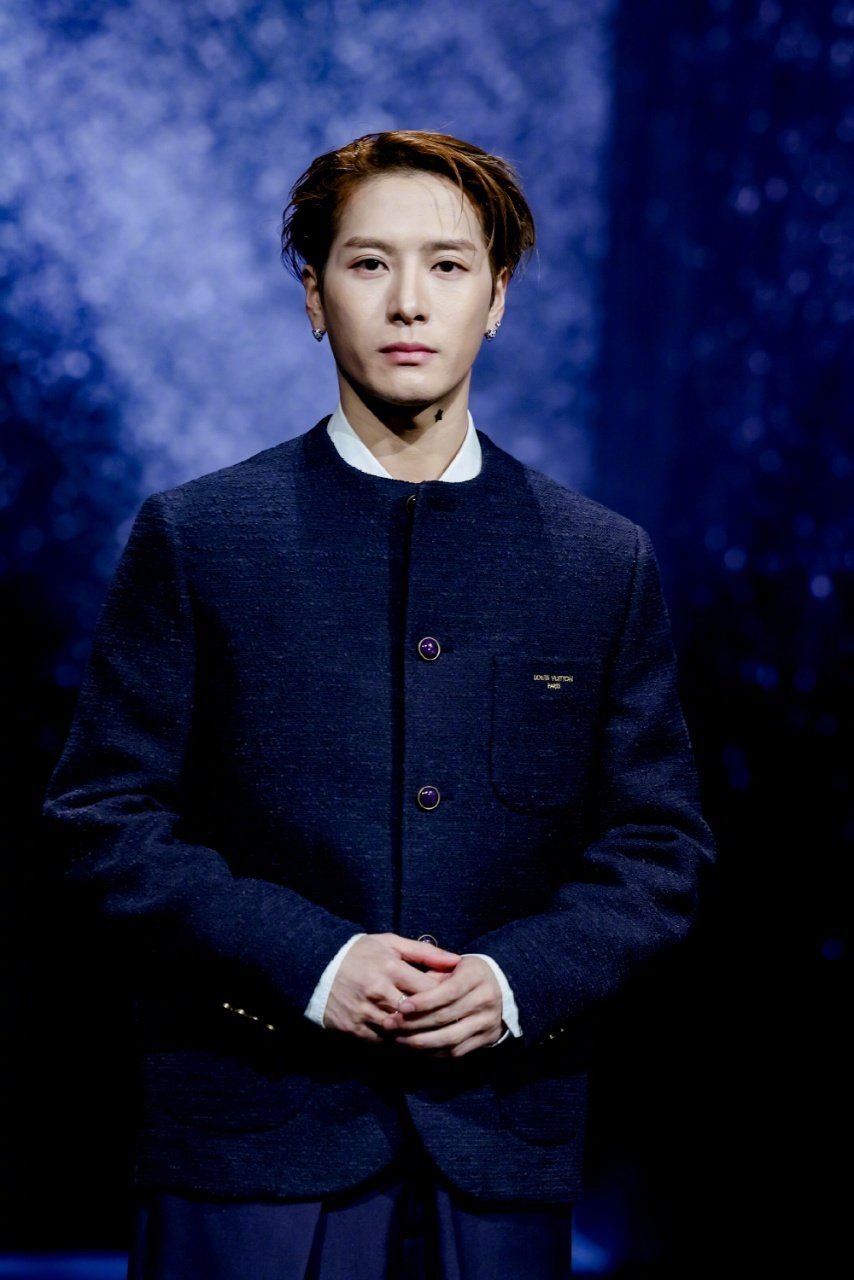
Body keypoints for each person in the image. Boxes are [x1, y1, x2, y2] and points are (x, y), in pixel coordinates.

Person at [44, 130, 715, 1278]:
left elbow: (658, 846)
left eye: (447, 265)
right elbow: (102, 819)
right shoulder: (202, 537)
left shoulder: (597, 559)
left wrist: (512, 980)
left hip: (497, 1150)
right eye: (367, 263)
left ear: (496, 298)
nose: (408, 300)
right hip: (249, 1141)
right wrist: (314, 960)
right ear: (314, 296)